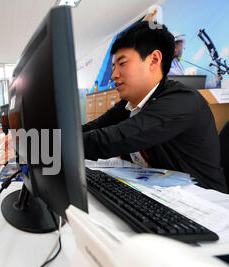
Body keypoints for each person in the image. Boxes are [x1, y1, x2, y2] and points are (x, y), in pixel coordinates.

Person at [82, 21, 227, 193]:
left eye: (122, 64)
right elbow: (93, 128)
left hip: (204, 203)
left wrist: (48, 146)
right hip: (159, 191)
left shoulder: (182, 101)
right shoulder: (131, 103)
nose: (114, 75)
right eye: (113, 67)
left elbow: (116, 139)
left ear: (154, 60)